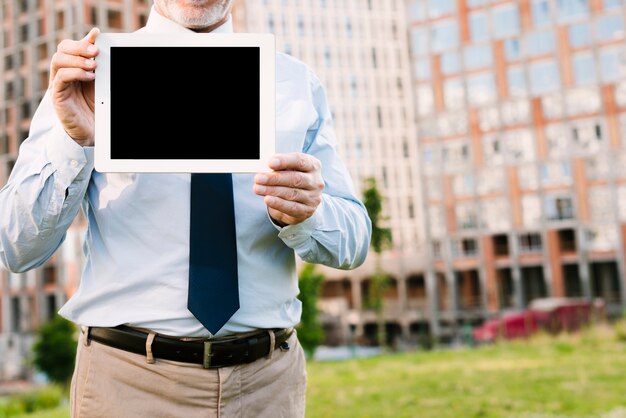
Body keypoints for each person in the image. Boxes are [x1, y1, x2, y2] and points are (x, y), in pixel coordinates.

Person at [0, 0, 372, 417]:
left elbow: (354, 240)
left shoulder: (294, 83)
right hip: (127, 386)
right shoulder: (89, 75)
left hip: (268, 387)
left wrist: (309, 213)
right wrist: (73, 144)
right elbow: (17, 247)